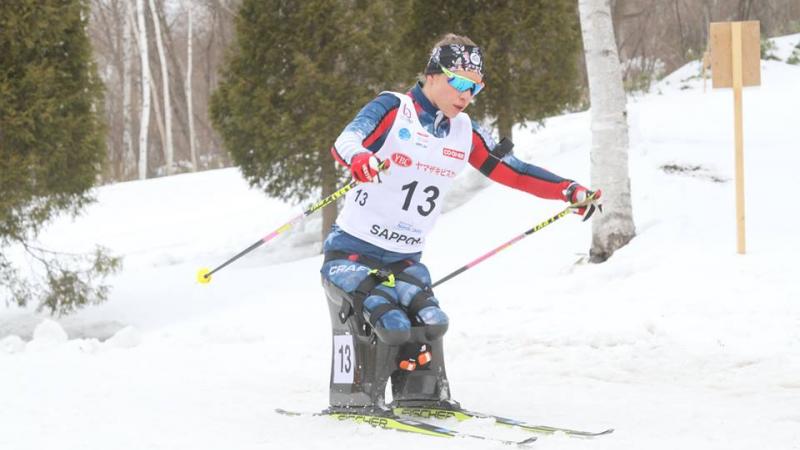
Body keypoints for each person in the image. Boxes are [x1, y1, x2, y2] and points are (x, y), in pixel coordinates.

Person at [319, 34, 601, 412]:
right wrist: (360, 160)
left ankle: (420, 396)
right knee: (389, 321)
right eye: (462, 83)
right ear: (434, 73)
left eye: (476, 88)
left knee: (431, 321)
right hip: (352, 253)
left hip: (405, 259)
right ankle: (354, 397)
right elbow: (346, 141)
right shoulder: (394, 108)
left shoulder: (463, 130)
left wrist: (566, 190)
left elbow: (512, 171)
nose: (468, 96)